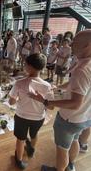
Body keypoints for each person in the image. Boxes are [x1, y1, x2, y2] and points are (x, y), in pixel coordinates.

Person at [29, 30, 91, 171]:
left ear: (87, 46)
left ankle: (60, 169)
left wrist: (47, 102)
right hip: (85, 117)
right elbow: (75, 85)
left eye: (75, 43)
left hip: (70, 119)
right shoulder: (86, 65)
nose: (72, 45)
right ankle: (70, 165)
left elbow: (75, 103)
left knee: (62, 149)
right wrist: (58, 87)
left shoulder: (82, 69)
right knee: (75, 140)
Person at [9, 53, 54, 169]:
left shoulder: (19, 83)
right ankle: (31, 151)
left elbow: (11, 102)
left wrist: (18, 98)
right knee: (34, 135)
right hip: (38, 117)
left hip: (21, 116)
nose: (24, 66)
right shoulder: (47, 85)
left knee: (20, 139)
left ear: (29, 67)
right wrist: (42, 100)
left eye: (25, 64)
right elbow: (51, 107)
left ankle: (19, 161)